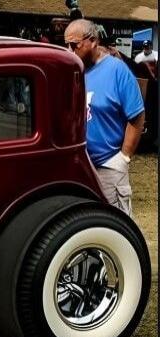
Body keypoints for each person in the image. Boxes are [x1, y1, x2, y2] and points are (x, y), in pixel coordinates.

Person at [64, 19, 145, 215]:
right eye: (66, 45)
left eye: (74, 45)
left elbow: (137, 116)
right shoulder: (73, 71)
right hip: (81, 167)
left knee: (114, 223)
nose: (69, 50)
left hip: (108, 166)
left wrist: (123, 158)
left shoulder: (117, 70)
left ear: (93, 41)